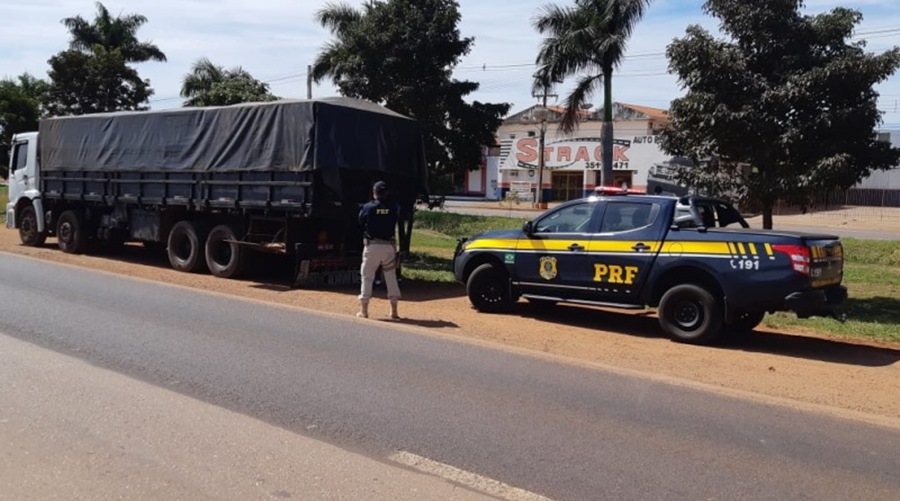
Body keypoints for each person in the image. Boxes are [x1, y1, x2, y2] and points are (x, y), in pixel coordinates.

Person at [357, 181, 401, 319]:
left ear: (374, 192)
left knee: (367, 276)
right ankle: (394, 311)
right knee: (391, 277)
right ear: (386, 192)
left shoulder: (368, 207)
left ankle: (364, 311)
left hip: (372, 246)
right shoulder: (394, 207)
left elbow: (360, 222)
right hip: (388, 247)